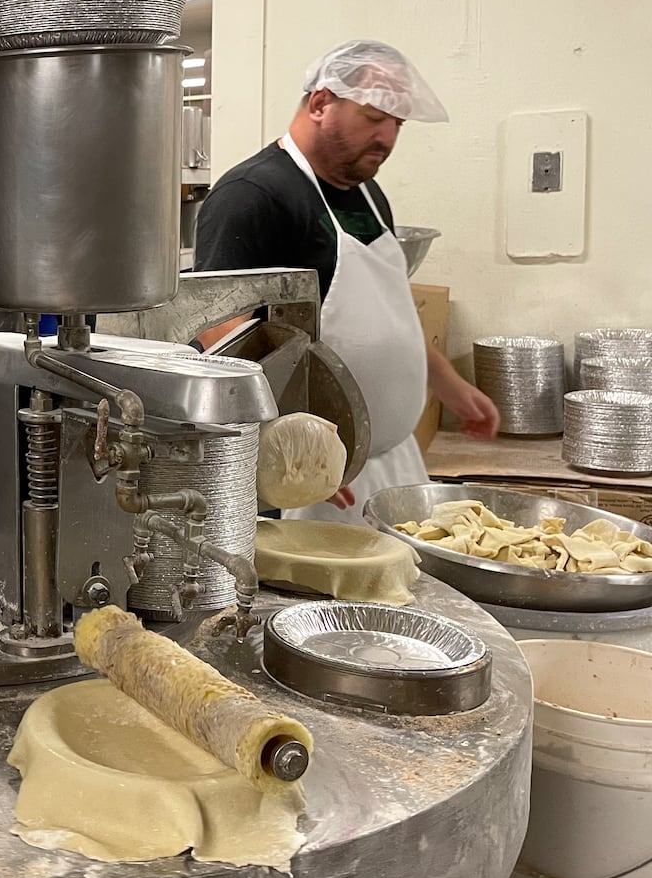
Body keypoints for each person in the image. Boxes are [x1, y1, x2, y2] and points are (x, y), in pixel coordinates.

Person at [193, 40, 499, 524]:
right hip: (314, 482)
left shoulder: (367, 192)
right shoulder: (252, 195)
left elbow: (385, 308)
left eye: (398, 123)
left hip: (394, 460)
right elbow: (221, 336)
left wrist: (448, 382)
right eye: (375, 116)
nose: (388, 137)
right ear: (320, 103)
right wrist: (291, 448)